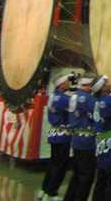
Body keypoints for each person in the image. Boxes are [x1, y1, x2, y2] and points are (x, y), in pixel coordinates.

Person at [38, 72, 77, 201]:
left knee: (53, 163)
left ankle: (44, 189)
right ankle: (52, 192)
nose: (68, 84)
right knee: (60, 165)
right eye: (66, 82)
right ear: (61, 85)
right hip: (63, 135)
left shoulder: (53, 97)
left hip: (54, 133)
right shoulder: (65, 99)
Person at [63, 76, 96, 201]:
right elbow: (97, 116)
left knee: (77, 174)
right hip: (87, 141)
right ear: (87, 86)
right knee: (86, 175)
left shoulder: (73, 96)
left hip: (76, 139)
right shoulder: (89, 99)